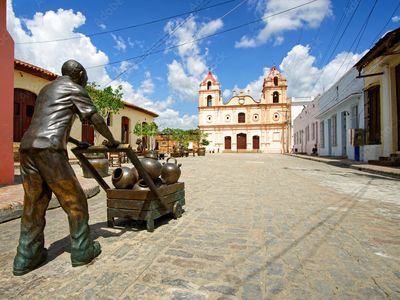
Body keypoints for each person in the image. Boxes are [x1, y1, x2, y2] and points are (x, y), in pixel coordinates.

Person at [13, 59, 119, 276]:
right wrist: (112, 140)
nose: (87, 81)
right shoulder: (74, 88)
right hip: (50, 151)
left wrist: (75, 142)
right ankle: (82, 250)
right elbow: (95, 118)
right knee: (75, 201)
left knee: (34, 203)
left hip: (27, 147)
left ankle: (26, 257)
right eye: (86, 76)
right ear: (79, 73)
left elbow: (48, 123)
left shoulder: (45, 90)